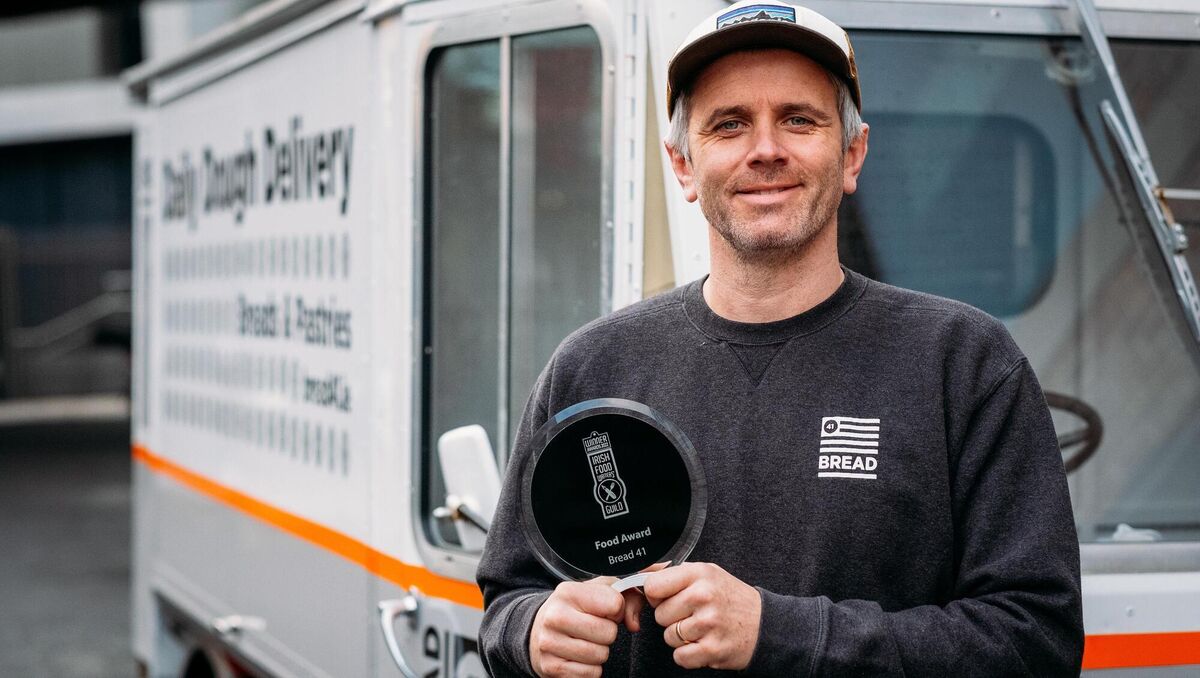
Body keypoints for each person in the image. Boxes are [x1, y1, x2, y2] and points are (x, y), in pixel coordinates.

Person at [477, 1, 1084, 675]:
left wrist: (781, 633)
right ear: (683, 165)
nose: (766, 149)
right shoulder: (593, 367)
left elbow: (1037, 644)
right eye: (729, 125)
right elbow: (508, 597)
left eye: (799, 119)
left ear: (852, 154)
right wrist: (532, 634)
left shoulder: (964, 363)